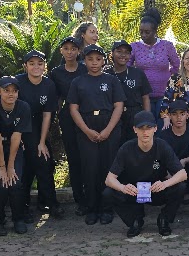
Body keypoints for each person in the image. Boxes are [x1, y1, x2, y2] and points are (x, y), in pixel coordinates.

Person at [103, 110, 188, 237]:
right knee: (108, 193)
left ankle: (164, 219)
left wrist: (165, 184)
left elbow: (183, 174)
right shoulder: (126, 148)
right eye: (141, 128)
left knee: (181, 187)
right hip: (134, 191)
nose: (145, 132)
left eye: (149, 128)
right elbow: (109, 179)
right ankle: (134, 221)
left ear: (155, 128)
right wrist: (123, 187)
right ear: (134, 130)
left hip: (156, 189)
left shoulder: (162, 146)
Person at [68, 44, 126, 225]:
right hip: (86, 127)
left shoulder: (112, 80)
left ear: (104, 61)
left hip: (109, 125)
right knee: (90, 168)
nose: (94, 63)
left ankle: (107, 209)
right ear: (84, 61)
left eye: (98, 59)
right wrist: (86, 130)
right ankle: (92, 208)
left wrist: (108, 130)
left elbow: (119, 106)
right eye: (90, 59)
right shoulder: (78, 82)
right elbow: (73, 108)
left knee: (108, 168)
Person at [15, 50, 63, 221]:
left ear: (45, 66)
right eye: (32, 63)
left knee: (44, 162)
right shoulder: (18, 82)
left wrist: (42, 142)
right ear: (25, 66)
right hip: (19, 127)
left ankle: (50, 203)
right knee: (26, 169)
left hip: (38, 127)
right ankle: (23, 208)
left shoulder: (49, 84)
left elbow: (47, 115)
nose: (36, 67)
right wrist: (18, 139)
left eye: (40, 63)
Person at [0, 76, 30, 235]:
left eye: (14, 91)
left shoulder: (23, 107)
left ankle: (18, 219)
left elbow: (16, 138)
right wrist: (2, 167)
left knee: (15, 183)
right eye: (6, 90)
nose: (11, 94)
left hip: (13, 148)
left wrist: (10, 167)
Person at [50, 35, 88, 214]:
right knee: (74, 158)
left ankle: (92, 196)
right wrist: (55, 119)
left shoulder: (85, 69)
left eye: (73, 48)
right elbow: (56, 98)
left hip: (87, 116)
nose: (70, 52)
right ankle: (80, 199)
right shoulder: (56, 73)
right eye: (66, 48)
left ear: (79, 51)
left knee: (89, 157)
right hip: (67, 118)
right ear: (61, 51)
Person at [158, 99, 189, 217]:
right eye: (174, 114)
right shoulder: (163, 136)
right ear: (169, 116)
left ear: (187, 115)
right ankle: (171, 204)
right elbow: (159, 159)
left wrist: (185, 160)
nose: (178, 118)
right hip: (172, 172)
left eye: (182, 114)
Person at [131, 8, 180, 121]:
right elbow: (127, 67)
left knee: (163, 125)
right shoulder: (134, 47)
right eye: (141, 32)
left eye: (147, 32)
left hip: (164, 95)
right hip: (143, 96)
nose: (143, 35)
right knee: (147, 124)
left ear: (155, 31)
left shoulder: (167, 46)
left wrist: (167, 77)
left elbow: (176, 65)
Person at [106, 40, 152, 142]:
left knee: (135, 146)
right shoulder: (106, 75)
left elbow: (145, 97)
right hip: (113, 116)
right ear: (112, 53)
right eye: (119, 51)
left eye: (127, 52)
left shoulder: (138, 73)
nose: (123, 55)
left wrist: (147, 118)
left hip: (135, 115)